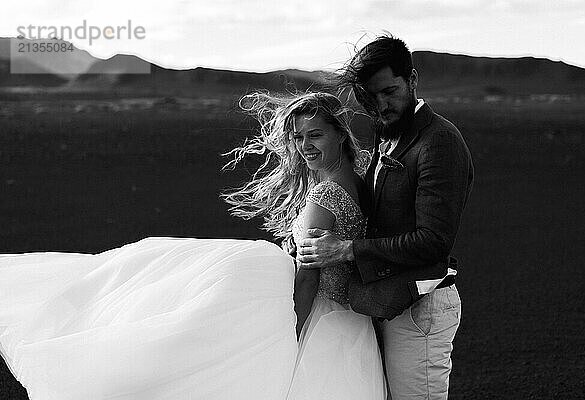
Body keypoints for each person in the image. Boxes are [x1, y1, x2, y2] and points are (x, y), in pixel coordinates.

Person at [0, 92, 386, 400]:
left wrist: (294, 333)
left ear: (339, 133)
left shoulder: (325, 194)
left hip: (320, 307)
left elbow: (308, 275)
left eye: (315, 134)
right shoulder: (360, 179)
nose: (304, 146)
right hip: (349, 315)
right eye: (297, 137)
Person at [296, 36, 475, 400]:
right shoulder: (389, 135)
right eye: (370, 96)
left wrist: (346, 249)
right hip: (389, 302)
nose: (381, 104)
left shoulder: (437, 141)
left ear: (412, 80)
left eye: (390, 91)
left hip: (422, 310)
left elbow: (433, 241)